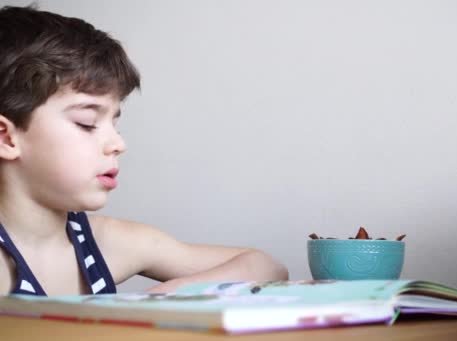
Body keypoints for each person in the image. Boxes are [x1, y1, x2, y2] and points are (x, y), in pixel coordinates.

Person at [0, 5, 288, 296]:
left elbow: (266, 267)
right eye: (87, 123)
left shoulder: (104, 241)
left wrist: (165, 296)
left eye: (114, 122)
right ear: (6, 139)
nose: (118, 144)